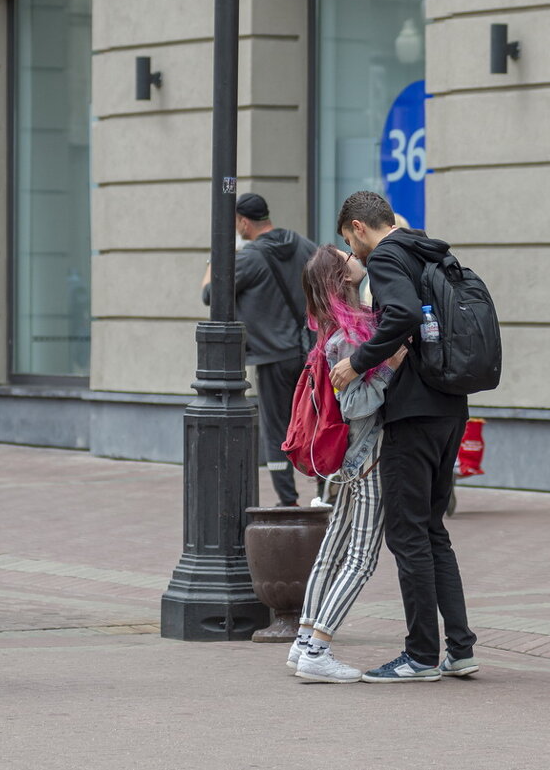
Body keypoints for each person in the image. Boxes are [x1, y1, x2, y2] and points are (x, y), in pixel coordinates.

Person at [330, 190, 477, 683]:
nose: (355, 255)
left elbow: (404, 315)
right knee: (433, 531)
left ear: (356, 227)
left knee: (408, 534)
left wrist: (358, 361)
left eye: (351, 243)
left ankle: (419, 655)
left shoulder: (390, 255)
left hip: (411, 412)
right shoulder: (430, 248)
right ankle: (460, 648)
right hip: (450, 406)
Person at [286, 246, 405, 683]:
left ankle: (303, 644)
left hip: (351, 459)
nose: (357, 256)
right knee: (360, 559)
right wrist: (390, 366)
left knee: (333, 551)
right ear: (345, 276)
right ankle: (318, 649)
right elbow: (355, 405)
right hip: (367, 457)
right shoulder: (351, 336)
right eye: (347, 256)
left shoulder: (339, 328)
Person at [201, 193, 317, 507]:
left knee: (277, 429)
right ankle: (325, 491)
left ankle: (288, 500)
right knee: (315, 420)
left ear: (242, 221)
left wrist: (216, 259)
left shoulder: (250, 258)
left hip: (272, 357)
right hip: (310, 353)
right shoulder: (305, 246)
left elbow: (210, 294)